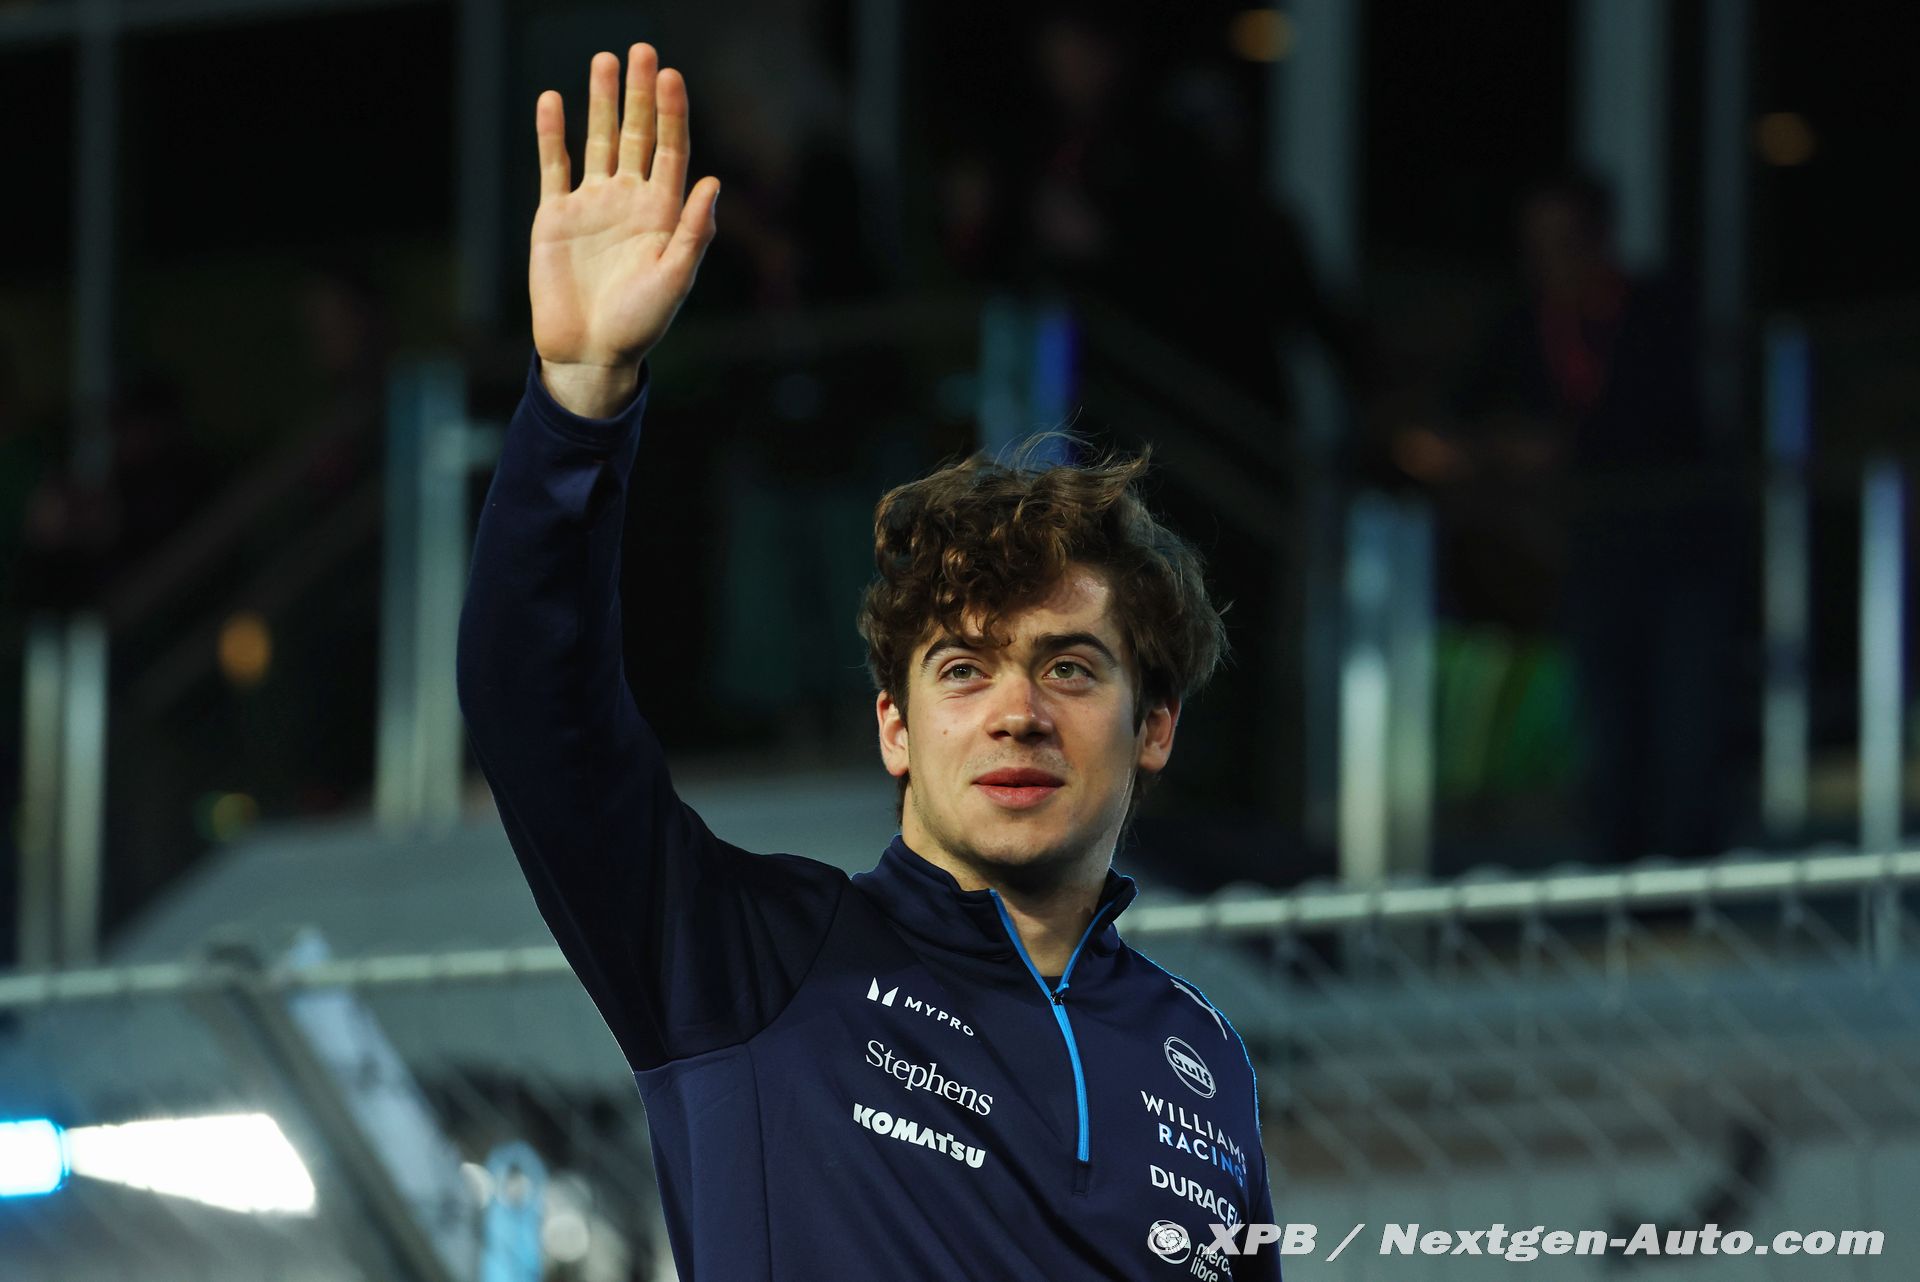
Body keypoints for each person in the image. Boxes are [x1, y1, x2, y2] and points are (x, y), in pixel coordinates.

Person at [456, 44, 1279, 1279]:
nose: (1016, 712)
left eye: (1069, 668)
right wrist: (578, 400)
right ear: (895, 726)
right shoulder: (748, 957)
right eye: (964, 670)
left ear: (1155, 723)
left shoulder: (1202, 1055)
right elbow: (535, 705)